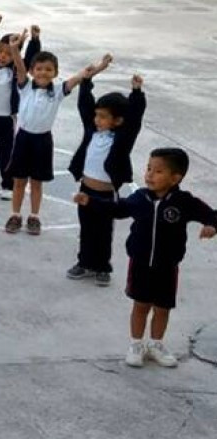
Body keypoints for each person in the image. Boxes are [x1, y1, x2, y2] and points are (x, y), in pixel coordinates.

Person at [74, 148, 217, 369]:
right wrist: (90, 201)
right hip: (140, 263)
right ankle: (136, 344)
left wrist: (211, 226)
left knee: (162, 308)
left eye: (158, 171)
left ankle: (156, 344)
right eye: (149, 168)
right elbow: (118, 208)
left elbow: (210, 214)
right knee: (140, 305)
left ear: (175, 178)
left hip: (168, 266)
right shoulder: (139, 198)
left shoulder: (183, 202)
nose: (150, 175)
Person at [5, 42, 110, 236]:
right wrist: (14, 49)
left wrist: (100, 67)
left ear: (55, 72)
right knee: (19, 180)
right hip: (23, 139)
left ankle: (34, 216)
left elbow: (81, 76)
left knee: (37, 182)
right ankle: (15, 214)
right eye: (39, 69)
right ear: (31, 71)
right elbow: (19, 67)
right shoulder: (25, 86)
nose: (43, 73)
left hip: (42, 141)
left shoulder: (59, 91)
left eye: (48, 69)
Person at [66, 73, 146, 286]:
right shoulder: (92, 131)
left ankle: (102, 266)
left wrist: (136, 93)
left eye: (103, 116)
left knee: (103, 231)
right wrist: (86, 81)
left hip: (105, 194)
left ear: (118, 120)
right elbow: (85, 105)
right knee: (86, 229)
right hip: (86, 189)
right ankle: (84, 262)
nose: (96, 119)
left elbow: (135, 120)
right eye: (97, 115)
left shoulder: (121, 139)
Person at [0, 18, 40, 200]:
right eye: (0, 52)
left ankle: (7, 185)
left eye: (8, 54)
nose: (3, 56)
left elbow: (31, 59)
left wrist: (34, 40)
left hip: (6, 119)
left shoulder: (17, 71)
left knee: (6, 154)